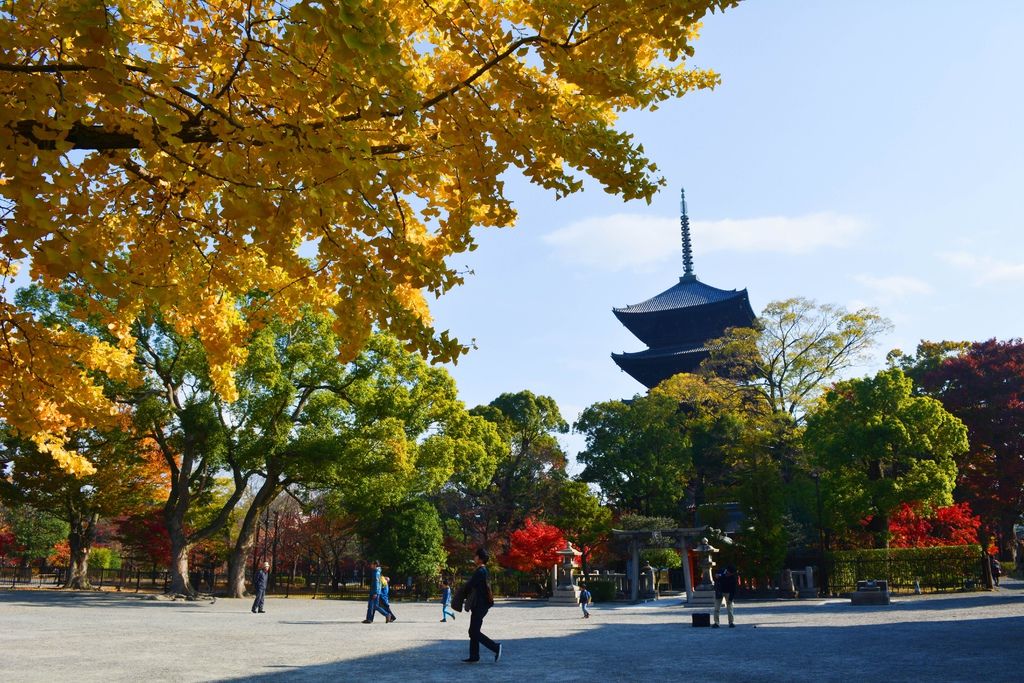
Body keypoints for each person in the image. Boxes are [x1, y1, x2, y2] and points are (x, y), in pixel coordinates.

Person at [457, 547, 501, 663]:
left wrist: (460, 593)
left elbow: (470, 584)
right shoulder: (482, 570)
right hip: (480, 604)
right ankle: (474, 656)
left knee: (474, 631)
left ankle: (496, 647)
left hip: (480, 605)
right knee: (473, 630)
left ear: (480, 558)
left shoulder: (480, 571)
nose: (474, 557)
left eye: (476, 555)